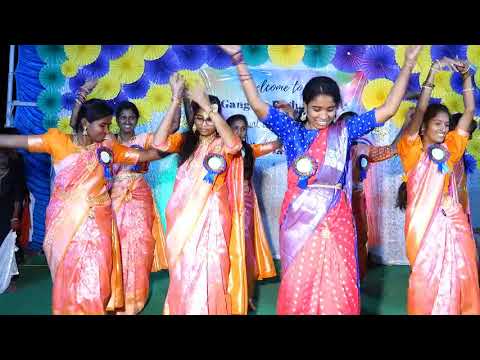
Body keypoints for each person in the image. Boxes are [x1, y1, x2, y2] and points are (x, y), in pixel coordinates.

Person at [219, 44, 423, 315]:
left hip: (337, 217)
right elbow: (257, 106)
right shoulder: (290, 131)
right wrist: (238, 60)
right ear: (305, 105)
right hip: (299, 217)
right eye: (316, 109)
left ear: (338, 107)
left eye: (330, 109)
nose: (324, 116)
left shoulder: (345, 130)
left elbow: (386, 110)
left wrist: (407, 64)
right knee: (300, 277)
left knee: (339, 279)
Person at [0, 99, 162, 314]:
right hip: (64, 225)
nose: (107, 131)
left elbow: (142, 156)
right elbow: (15, 141)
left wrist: (174, 146)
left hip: (99, 225)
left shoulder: (107, 147)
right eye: (103, 125)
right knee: (68, 279)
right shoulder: (58, 141)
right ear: (86, 123)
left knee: (97, 281)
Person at [69, 75, 185, 315]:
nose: (128, 121)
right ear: (116, 121)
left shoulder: (143, 140)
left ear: (137, 120)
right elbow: (75, 127)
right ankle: (113, 297)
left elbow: (171, 129)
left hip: (140, 195)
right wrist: (81, 96)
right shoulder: (107, 141)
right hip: (112, 199)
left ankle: (134, 300)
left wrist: (178, 98)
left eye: (132, 118)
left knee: (140, 248)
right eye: (123, 118)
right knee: (114, 248)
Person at [396, 56, 480, 314]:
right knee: (425, 278)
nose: (444, 129)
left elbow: (468, 113)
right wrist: (432, 72)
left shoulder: (451, 148)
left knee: (462, 272)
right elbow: (420, 110)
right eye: (438, 124)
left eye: (446, 125)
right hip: (423, 225)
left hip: (453, 220)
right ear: (423, 127)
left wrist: (467, 77)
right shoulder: (411, 149)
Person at [152, 84, 242, 315]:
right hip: (181, 218)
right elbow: (158, 142)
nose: (204, 124)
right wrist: (175, 100)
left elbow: (235, 144)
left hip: (212, 218)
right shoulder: (185, 142)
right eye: (200, 118)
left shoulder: (224, 144)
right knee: (183, 267)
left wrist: (210, 109)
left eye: (209, 119)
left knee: (211, 266)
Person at [226, 113, 279, 311]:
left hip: (245, 206)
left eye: (243, 128)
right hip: (225, 205)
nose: (239, 132)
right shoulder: (221, 149)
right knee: (225, 251)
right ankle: (226, 296)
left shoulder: (250, 150)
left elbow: (277, 144)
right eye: (235, 128)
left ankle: (246, 295)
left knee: (245, 252)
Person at [449, 112, 477, 227]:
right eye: (468, 132)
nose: (470, 137)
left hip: (461, 208)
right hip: (450, 212)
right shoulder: (447, 153)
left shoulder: (461, 156)